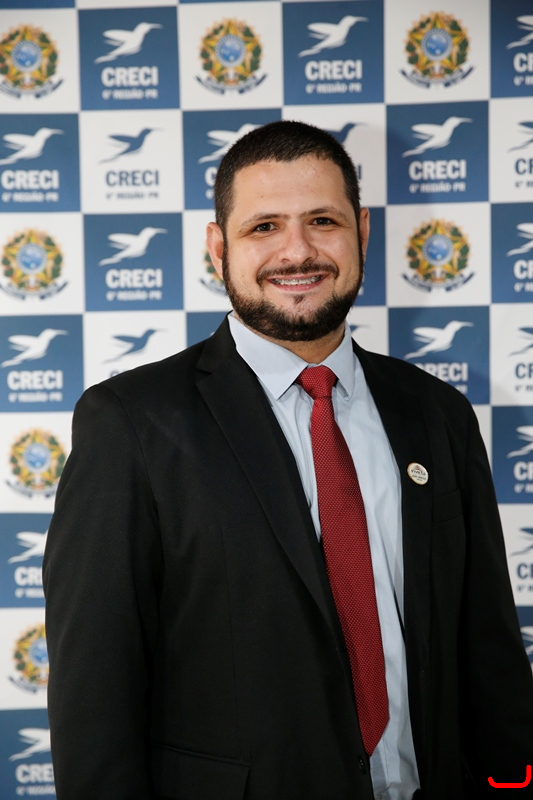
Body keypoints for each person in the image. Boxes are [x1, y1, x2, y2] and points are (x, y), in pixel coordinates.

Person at [43, 120, 533, 800]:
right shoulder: (130, 423)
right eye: (264, 226)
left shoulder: (437, 413)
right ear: (219, 247)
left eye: (322, 221)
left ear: (362, 232)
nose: (297, 251)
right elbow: (95, 691)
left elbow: (489, 651)